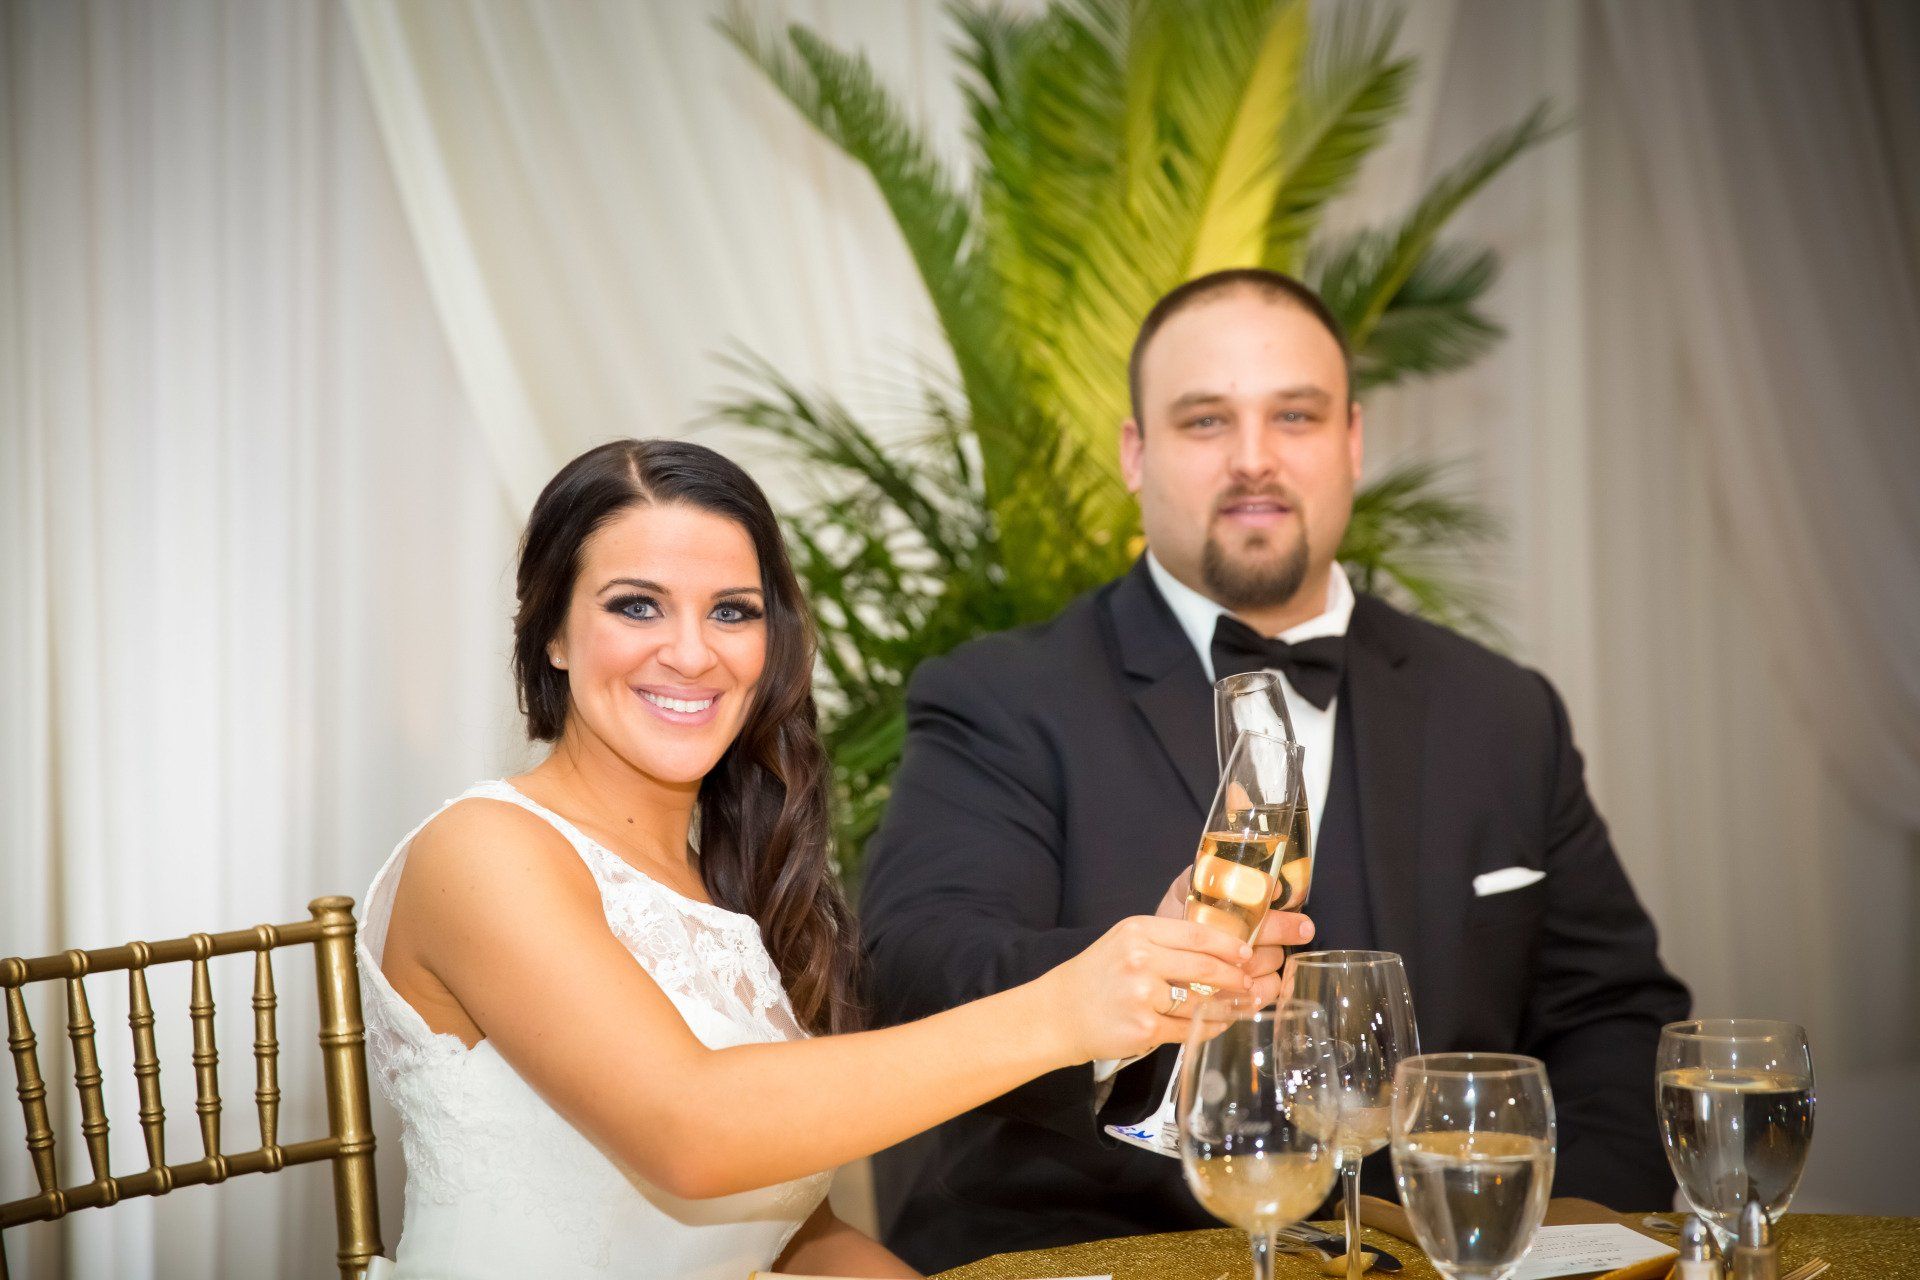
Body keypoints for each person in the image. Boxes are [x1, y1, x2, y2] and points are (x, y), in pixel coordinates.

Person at [860, 268, 1693, 1271]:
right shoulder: (999, 696)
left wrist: (1542, 1233)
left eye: (1293, 416)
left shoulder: (1505, 710)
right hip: (1099, 1254)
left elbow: (1612, 1015)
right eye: (1205, 421)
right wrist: (1119, 988)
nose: (1253, 459)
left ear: (1350, 438)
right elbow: (918, 971)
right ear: (1136, 452)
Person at [356, 438, 1294, 1280]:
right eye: (637, 606)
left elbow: (786, 1227)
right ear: (553, 634)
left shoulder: (730, 875)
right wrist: (1069, 1010)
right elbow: (696, 1134)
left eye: (732, 611)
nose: (692, 653)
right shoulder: (482, 852)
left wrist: (1152, 992)